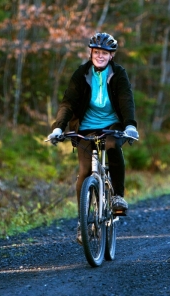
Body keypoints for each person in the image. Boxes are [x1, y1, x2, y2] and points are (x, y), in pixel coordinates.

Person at [47, 32, 139, 245]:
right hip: (86, 127)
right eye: (96, 52)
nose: (99, 56)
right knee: (84, 171)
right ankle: (82, 221)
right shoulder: (81, 73)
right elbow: (68, 103)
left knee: (114, 146)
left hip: (112, 126)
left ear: (111, 55)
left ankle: (117, 196)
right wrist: (58, 128)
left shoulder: (118, 74)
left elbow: (126, 100)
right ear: (91, 53)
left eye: (104, 53)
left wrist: (130, 125)